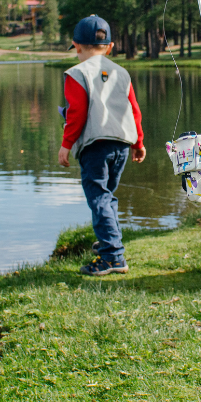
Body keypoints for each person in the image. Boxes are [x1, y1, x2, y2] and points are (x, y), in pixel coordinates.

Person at [59, 15, 146, 277]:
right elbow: (134, 110)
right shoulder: (122, 72)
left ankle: (112, 256)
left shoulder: (77, 73)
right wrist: (139, 142)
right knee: (106, 196)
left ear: (76, 46)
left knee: (98, 198)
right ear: (110, 47)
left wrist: (66, 144)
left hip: (95, 146)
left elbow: (77, 113)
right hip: (121, 144)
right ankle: (109, 242)